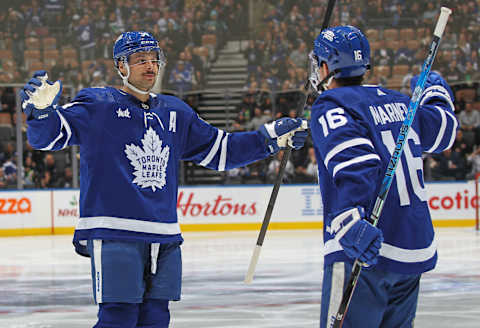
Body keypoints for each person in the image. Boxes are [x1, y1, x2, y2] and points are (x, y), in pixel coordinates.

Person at [20, 31, 308, 328]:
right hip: (115, 232)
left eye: (154, 59)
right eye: (140, 59)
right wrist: (41, 113)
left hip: (165, 235)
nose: (150, 66)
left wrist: (270, 138)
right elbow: (49, 137)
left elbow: (222, 151)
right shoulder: (98, 104)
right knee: (118, 318)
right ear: (121, 66)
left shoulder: (175, 112)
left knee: (157, 319)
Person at [308, 26, 458, 328]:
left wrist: (349, 218)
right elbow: (444, 130)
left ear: (325, 66)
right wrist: (435, 91)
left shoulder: (331, 105)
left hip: (363, 250)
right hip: (412, 249)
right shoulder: (400, 102)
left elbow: (356, 163)